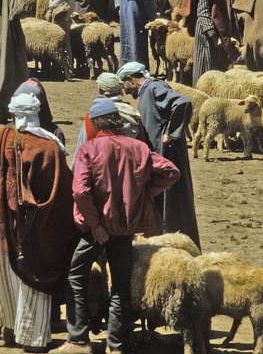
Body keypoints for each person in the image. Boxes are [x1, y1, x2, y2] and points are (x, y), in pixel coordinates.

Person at [56, 98, 180, 354]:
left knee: (76, 277)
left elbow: (80, 191)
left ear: (96, 123)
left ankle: (78, 341)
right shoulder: (138, 147)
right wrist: (143, 194)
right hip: (125, 229)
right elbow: (171, 171)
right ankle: (116, 345)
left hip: (95, 231)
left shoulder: (89, 149)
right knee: (120, 286)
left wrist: (95, 225)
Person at [0, 92, 77, 352]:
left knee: (5, 279)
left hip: (3, 226)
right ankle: (33, 337)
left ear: (13, 113)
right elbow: (61, 193)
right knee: (32, 284)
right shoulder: (50, 148)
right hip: (38, 230)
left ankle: (8, 328)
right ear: (37, 112)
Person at [118, 62, 200, 247]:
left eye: (124, 85)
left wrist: (171, 134)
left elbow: (182, 102)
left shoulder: (155, 87)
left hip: (168, 155)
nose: (125, 91)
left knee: (173, 199)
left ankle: (177, 242)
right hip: (159, 155)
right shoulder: (147, 91)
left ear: (130, 78)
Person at [181, 0, 239, 85]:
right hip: (206, 31)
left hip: (212, 30)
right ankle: (201, 93)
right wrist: (214, 36)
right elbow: (203, 11)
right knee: (204, 64)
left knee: (213, 64)